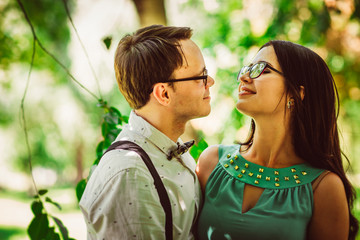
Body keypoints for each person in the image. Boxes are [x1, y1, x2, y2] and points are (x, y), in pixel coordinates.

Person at [196, 40, 358, 240]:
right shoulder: (211, 162)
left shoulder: (324, 187)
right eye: (247, 68)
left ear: (297, 93)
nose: (244, 77)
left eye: (262, 70)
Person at [79, 25, 215, 239]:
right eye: (201, 76)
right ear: (164, 93)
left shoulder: (171, 149)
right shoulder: (129, 174)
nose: (211, 82)